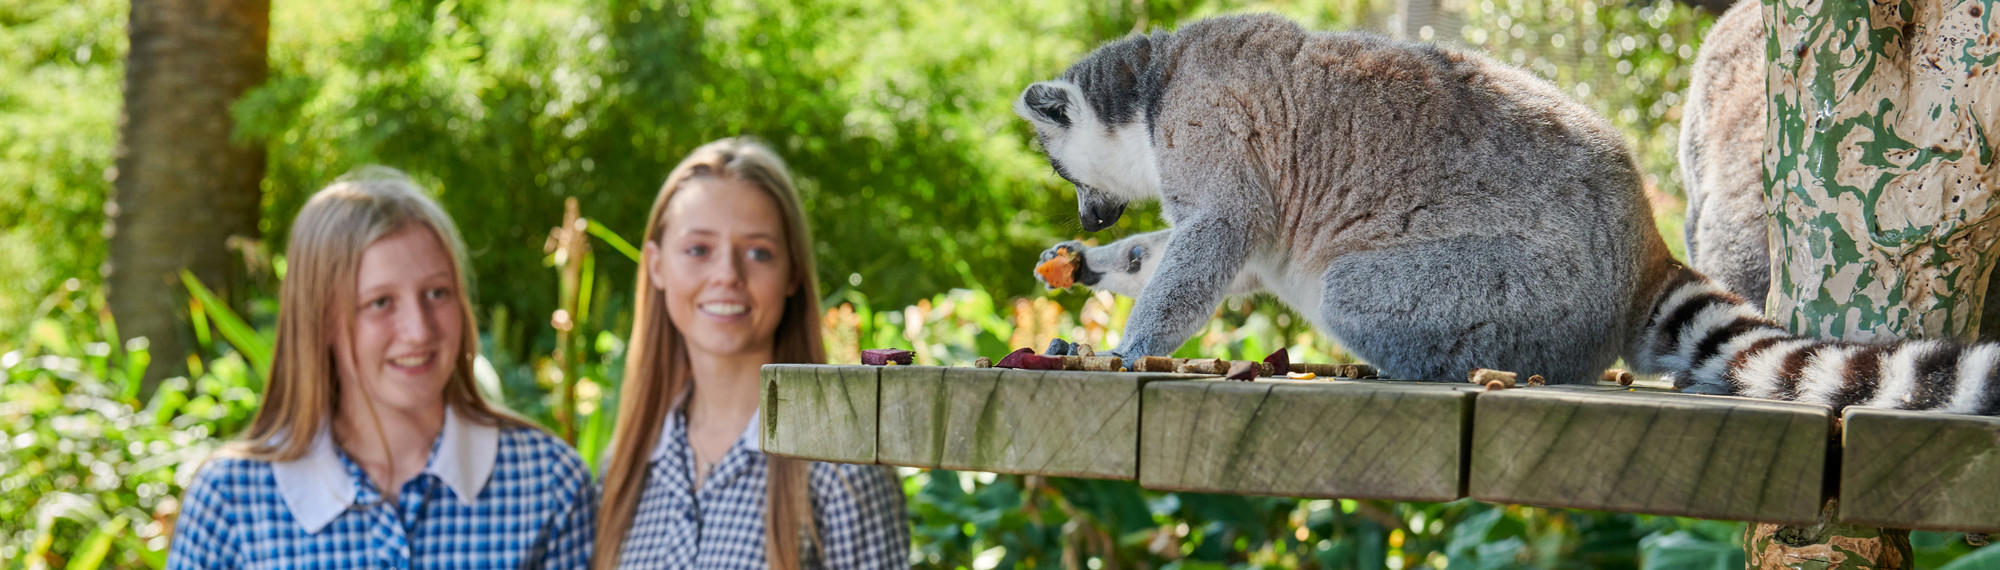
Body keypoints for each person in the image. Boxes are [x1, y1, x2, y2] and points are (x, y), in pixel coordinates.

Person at [168, 167, 596, 568]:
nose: (418, 330)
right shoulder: (231, 501)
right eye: (380, 302)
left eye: (437, 293)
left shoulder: (548, 482)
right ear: (322, 321)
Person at [593, 139, 909, 568]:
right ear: (656, 266)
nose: (727, 275)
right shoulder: (622, 471)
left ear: (792, 273)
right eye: (698, 249)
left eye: (759, 252)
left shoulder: (843, 469)